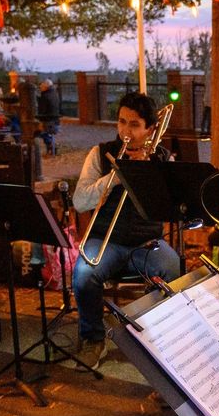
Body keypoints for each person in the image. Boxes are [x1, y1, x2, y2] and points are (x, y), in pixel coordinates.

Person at [70, 91, 181, 370]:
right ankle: (94, 339)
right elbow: (79, 200)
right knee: (84, 275)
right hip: (105, 240)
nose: (125, 131)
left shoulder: (163, 160)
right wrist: (114, 178)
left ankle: (164, 342)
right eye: (121, 122)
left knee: (174, 270)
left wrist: (150, 177)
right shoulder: (100, 153)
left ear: (150, 129)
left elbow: (174, 208)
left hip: (146, 243)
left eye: (134, 125)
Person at [36, 79, 60, 154]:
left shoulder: (45, 96)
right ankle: (51, 145)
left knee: (36, 131)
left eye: (41, 87)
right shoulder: (55, 94)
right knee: (42, 131)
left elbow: (42, 112)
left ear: (46, 87)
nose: (40, 88)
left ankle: (50, 144)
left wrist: (37, 119)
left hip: (48, 122)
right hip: (56, 121)